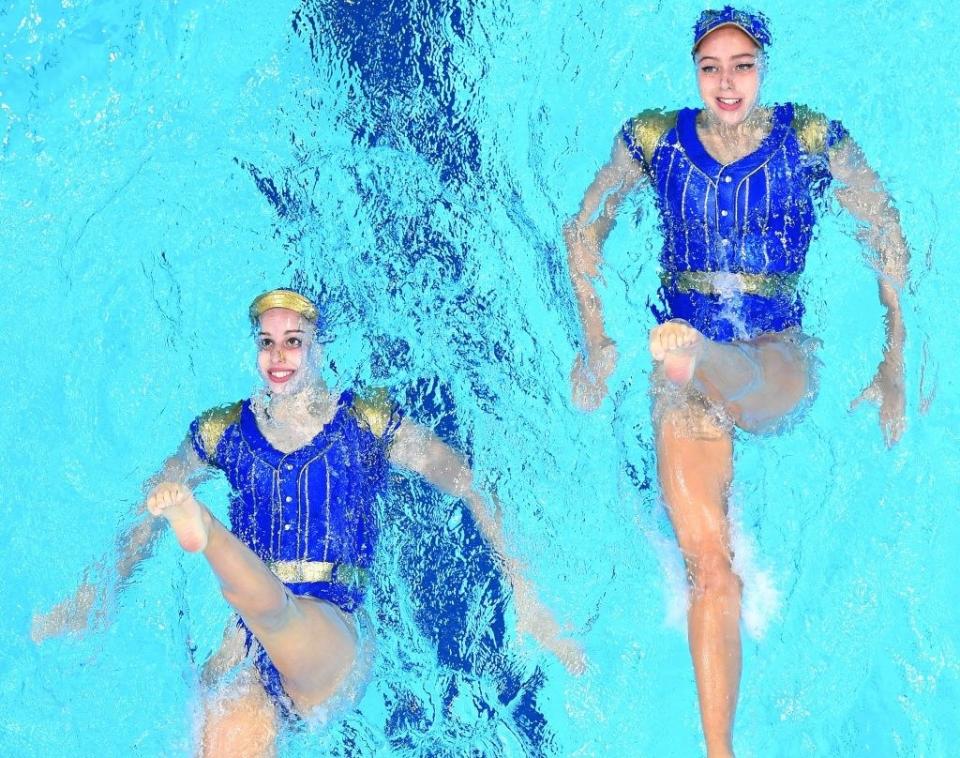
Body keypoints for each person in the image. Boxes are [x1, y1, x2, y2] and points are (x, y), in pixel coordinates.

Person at [562, 6, 907, 756]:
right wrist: (595, 339)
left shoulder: (810, 139)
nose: (727, 82)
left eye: (742, 65)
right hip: (679, 369)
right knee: (708, 572)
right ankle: (719, 751)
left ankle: (700, 358)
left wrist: (894, 360)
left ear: (764, 69)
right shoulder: (654, 139)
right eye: (711, 67)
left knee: (746, 388)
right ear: (693, 70)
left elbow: (886, 230)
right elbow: (582, 230)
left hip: (773, 347)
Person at [34, 288, 582, 756]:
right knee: (229, 715)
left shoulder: (367, 422)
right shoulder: (222, 429)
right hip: (245, 651)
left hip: (331, 629)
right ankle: (206, 539)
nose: (278, 356)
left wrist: (528, 593)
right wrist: (94, 597)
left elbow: (467, 482)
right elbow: (146, 509)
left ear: (320, 347)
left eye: (293, 341)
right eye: (267, 343)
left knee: (276, 611)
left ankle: (202, 527)